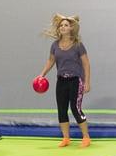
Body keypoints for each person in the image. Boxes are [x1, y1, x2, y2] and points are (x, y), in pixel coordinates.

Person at [38, 13, 91, 148]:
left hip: (76, 80)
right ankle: (66, 138)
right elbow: (50, 61)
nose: (63, 27)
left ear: (71, 28)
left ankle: (86, 137)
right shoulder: (55, 45)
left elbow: (86, 64)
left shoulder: (78, 45)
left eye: (66, 25)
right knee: (61, 109)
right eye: (61, 25)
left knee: (75, 108)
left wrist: (87, 82)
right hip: (61, 81)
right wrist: (42, 74)